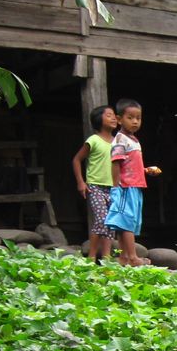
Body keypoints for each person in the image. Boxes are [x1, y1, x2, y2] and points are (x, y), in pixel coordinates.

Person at [107, 99, 162, 267]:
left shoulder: (134, 140)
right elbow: (116, 163)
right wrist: (116, 187)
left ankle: (124, 258)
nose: (135, 121)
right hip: (125, 187)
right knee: (127, 222)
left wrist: (144, 171)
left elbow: (129, 164)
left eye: (138, 118)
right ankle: (132, 257)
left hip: (135, 185)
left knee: (130, 222)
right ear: (119, 119)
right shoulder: (120, 139)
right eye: (130, 117)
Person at [71, 104, 118, 261]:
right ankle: (91, 257)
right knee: (101, 219)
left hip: (114, 188)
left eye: (114, 115)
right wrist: (80, 182)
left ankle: (106, 257)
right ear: (99, 120)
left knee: (111, 223)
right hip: (95, 187)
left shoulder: (118, 142)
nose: (113, 117)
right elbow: (77, 160)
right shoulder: (94, 140)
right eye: (109, 115)